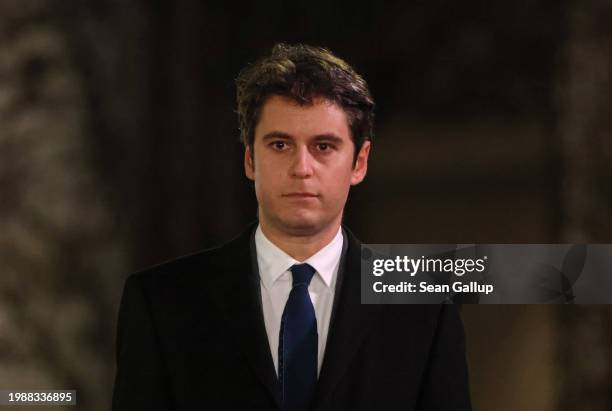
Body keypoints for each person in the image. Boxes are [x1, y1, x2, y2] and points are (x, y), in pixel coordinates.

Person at [112, 43, 471, 411]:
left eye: (324, 146)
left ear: (359, 162)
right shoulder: (162, 302)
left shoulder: (425, 307)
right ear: (250, 159)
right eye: (280, 144)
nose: (301, 167)